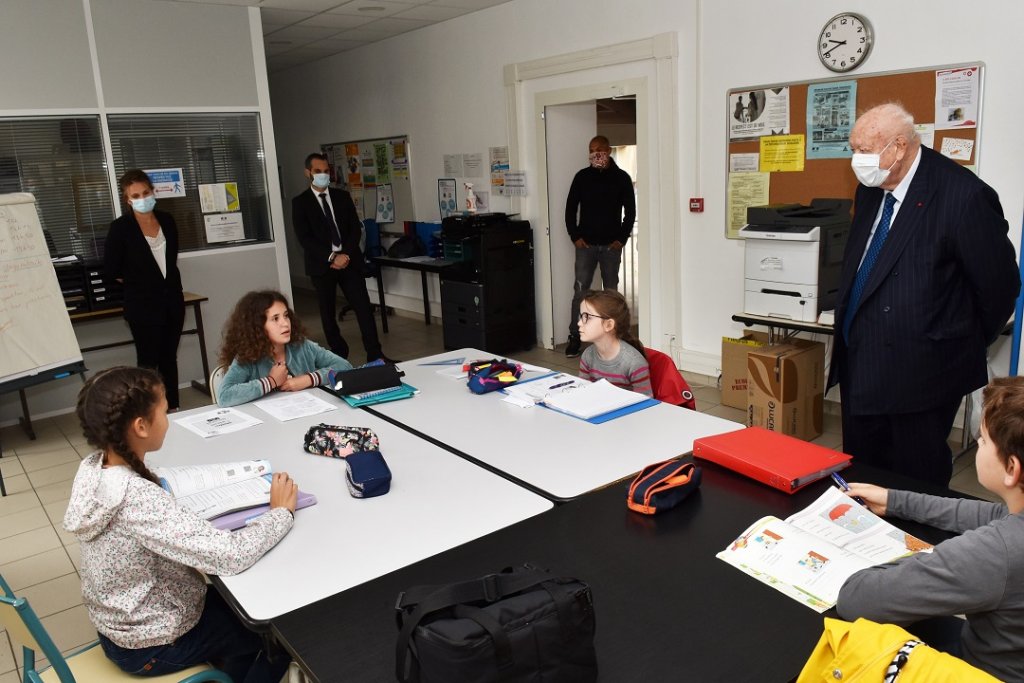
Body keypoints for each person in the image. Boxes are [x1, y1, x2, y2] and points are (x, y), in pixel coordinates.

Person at [63, 366, 296, 682]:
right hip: (151, 645)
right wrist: (281, 512)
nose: (169, 417)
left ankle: (229, 665)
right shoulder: (135, 497)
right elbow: (230, 556)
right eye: (164, 410)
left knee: (241, 606)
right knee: (280, 635)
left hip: (125, 623)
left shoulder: (93, 467)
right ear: (141, 426)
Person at [829, 103, 1019, 486]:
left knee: (915, 482)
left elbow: (999, 286)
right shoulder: (871, 189)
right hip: (860, 360)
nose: (857, 160)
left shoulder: (962, 195)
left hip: (923, 371)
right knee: (863, 472)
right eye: (853, 149)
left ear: (899, 146)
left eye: (864, 150)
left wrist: (954, 340)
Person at [836, 376, 1024, 682]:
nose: (979, 444)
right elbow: (989, 513)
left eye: (983, 440)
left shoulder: (996, 554)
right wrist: (895, 500)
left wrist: (932, 562)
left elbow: (856, 599)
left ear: (1012, 469)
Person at [291, 153, 393, 363]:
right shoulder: (300, 202)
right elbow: (305, 238)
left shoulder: (342, 197)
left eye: (326, 171)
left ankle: (375, 354)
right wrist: (331, 257)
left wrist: (345, 254)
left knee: (363, 308)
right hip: (322, 265)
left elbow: (355, 229)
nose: (323, 175)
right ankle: (338, 353)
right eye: (318, 171)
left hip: (349, 261)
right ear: (308, 173)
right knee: (327, 312)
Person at [105, 169, 186, 410]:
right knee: (148, 361)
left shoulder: (167, 221)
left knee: (169, 358)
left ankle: (173, 408)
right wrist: (139, 282)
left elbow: (170, 260)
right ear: (127, 199)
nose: (142, 198)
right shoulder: (120, 228)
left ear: (153, 192)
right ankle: (151, 410)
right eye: (136, 195)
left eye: (146, 192)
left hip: (172, 301)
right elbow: (111, 270)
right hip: (142, 306)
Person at [217, 290, 353, 407]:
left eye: (286, 316)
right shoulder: (247, 357)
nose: (285, 323)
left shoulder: (302, 346)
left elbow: (344, 366)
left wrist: (309, 379)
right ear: (257, 327)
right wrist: (270, 381)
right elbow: (224, 396)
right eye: (275, 319)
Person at [564, 136, 636, 358]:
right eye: (591, 150)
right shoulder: (582, 177)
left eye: (599, 150)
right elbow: (569, 209)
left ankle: (614, 336)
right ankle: (576, 336)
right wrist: (574, 236)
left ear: (608, 151)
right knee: (580, 292)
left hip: (610, 248)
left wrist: (621, 239)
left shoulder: (622, 178)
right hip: (585, 246)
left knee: (611, 293)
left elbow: (630, 212)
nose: (595, 154)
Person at [576, 289, 652, 397]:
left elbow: (646, 404)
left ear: (608, 325)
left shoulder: (634, 363)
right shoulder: (587, 355)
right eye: (581, 316)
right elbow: (583, 391)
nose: (579, 323)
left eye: (587, 317)